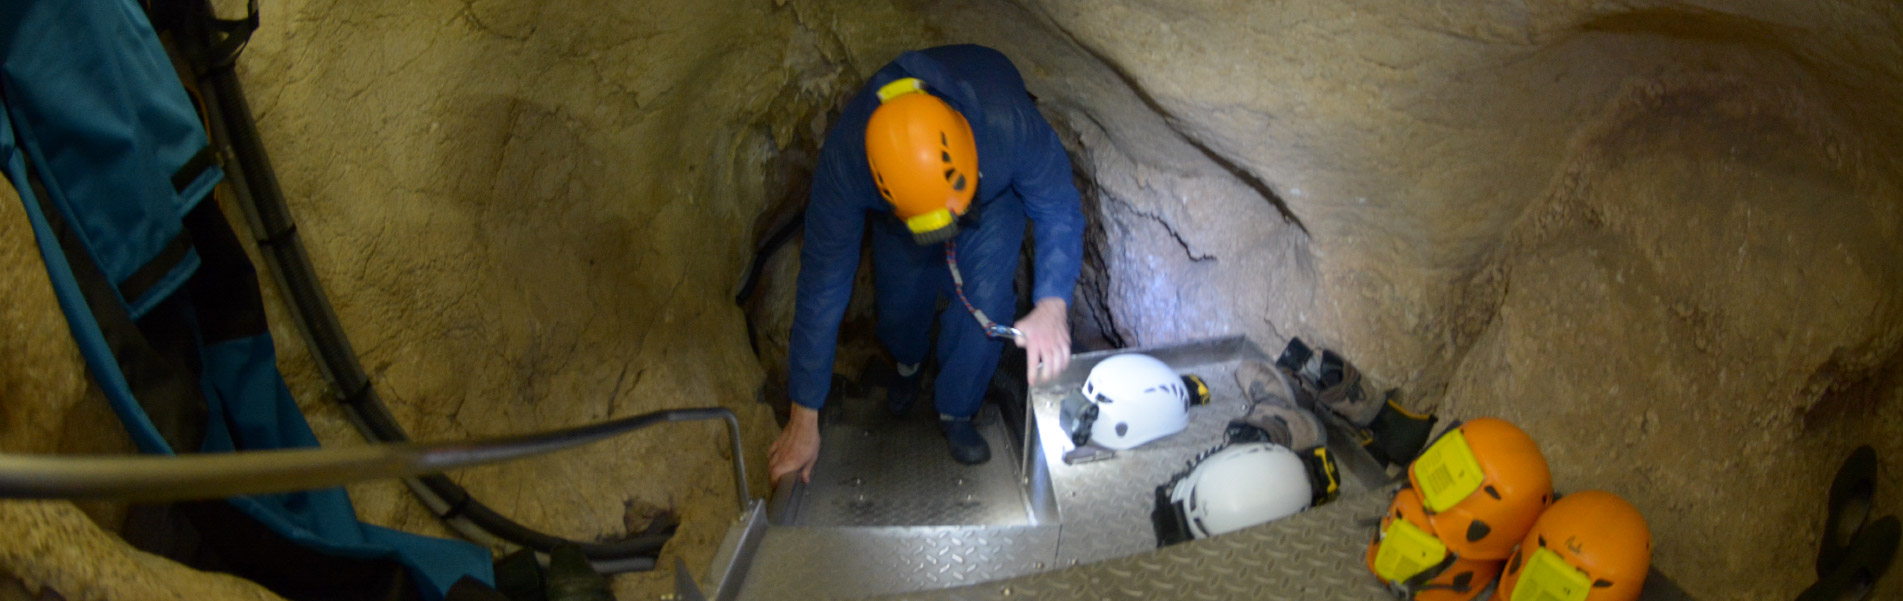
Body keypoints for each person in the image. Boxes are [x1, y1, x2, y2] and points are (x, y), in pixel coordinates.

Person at [767, 45, 1085, 485]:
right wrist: (804, 413)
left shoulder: (1005, 125)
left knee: (985, 298)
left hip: (987, 202)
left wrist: (1052, 303)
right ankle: (906, 366)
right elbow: (823, 281)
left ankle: (957, 410)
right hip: (904, 215)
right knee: (900, 302)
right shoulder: (849, 161)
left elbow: (1058, 206)